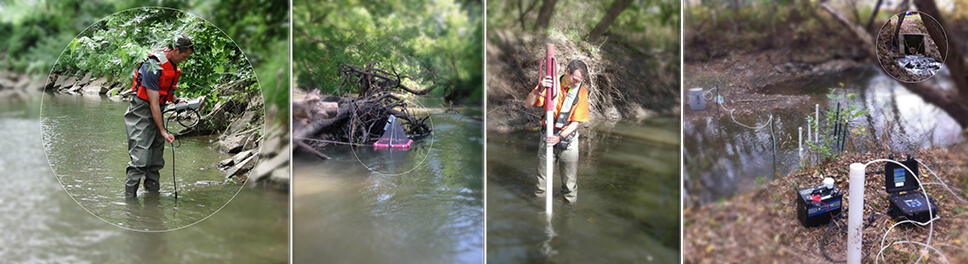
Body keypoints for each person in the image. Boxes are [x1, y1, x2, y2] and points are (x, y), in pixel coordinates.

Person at [124, 35, 193, 198]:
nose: (185, 59)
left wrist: (176, 100)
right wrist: (162, 130)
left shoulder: (172, 63)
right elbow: (153, 102)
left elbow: (165, 89)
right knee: (140, 160)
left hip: (157, 110)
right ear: (176, 50)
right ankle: (129, 201)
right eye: (184, 56)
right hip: (140, 112)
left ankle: (152, 198)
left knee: (155, 161)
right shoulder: (152, 65)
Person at [524, 59, 590, 203]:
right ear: (567, 72)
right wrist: (540, 88)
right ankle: (539, 212)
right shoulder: (550, 84)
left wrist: (560, 137)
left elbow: (576, 122)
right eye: (574, 79)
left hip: (568, 140)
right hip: (546, 137)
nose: (576, 83)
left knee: (569, 185)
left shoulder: (581, 92)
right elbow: (528, 104)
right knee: (541, 184)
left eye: (579, 81)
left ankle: (568, 214)